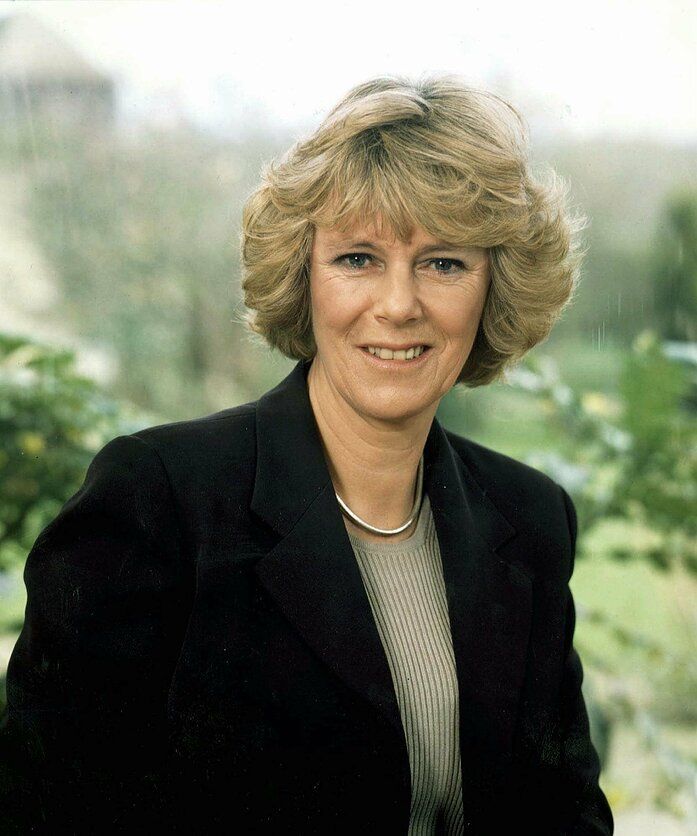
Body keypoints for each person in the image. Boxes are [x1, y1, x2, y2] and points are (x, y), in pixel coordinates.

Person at [0, 74, 614, 834]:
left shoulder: (528, 515)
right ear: (304, 277)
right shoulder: (159, 500)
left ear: (495, 290)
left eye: (444, 263)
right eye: (358, 258)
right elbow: (49, 812)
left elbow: (564, 817)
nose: (397, 304)